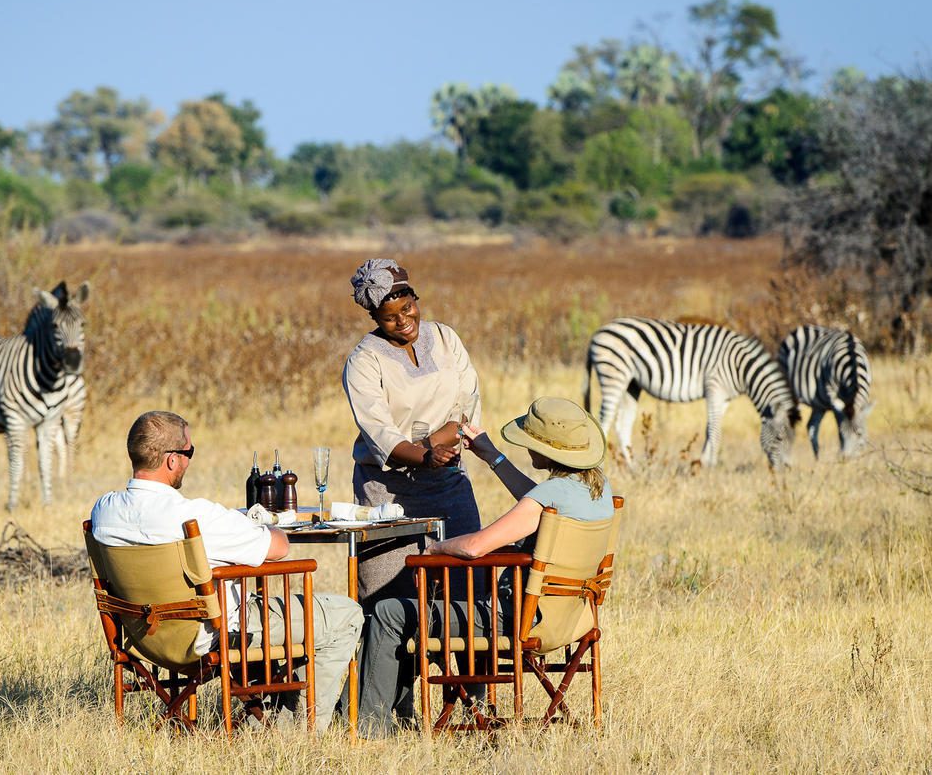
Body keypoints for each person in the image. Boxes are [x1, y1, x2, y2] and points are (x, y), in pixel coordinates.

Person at [90, 410, 363, 733]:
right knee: (346, 615)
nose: (190, 460)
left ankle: (264, 720)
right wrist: (265, 524)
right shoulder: (194, 517)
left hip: (144, 639)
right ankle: (297, 731)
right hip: (210, 635)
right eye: (189, 452)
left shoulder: (103, 511)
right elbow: (278, 548)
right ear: (172, 460)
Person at [356, 397, 616, 736]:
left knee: (391, 611)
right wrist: (491, 455)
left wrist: (433, 549)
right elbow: (536, 496)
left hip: (515, 620)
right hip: (572, 621)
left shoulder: (549, 497)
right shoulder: (598, 491)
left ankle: (369, 726)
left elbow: (476, 546)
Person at [342, 258, 483, 613]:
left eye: (408, 308)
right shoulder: (364, 361)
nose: (404, 321)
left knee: (470, 591)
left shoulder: (445, 338)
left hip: (449, 482)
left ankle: (466, 669)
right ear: (374, 318)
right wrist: (425, 455)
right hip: (388, 494)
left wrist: (432, 450)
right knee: (388, 598)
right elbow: (380, 432)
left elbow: (466, 407)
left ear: (416, 298)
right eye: (390, 317)